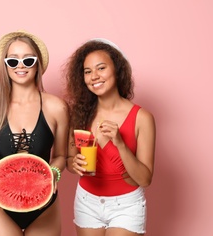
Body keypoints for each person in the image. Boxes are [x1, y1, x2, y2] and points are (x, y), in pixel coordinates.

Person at [0, 30, 69, 236]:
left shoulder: (56, 107)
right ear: (5, 66)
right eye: (13, 61)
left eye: (28, 59)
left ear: (38, 64)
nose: (21, 66)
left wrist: (54, 172)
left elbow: (61, 156)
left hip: (45, 206)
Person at [63, 38, 156, 236]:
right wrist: (74, 163)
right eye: (87, 72)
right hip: (86, 201)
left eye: (101, 68)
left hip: (126, 204)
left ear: (117, 70)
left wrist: (120, 144)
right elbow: (69, 160)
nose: (94, 76)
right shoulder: (79, 114)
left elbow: (145, 179)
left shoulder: (142, 118)